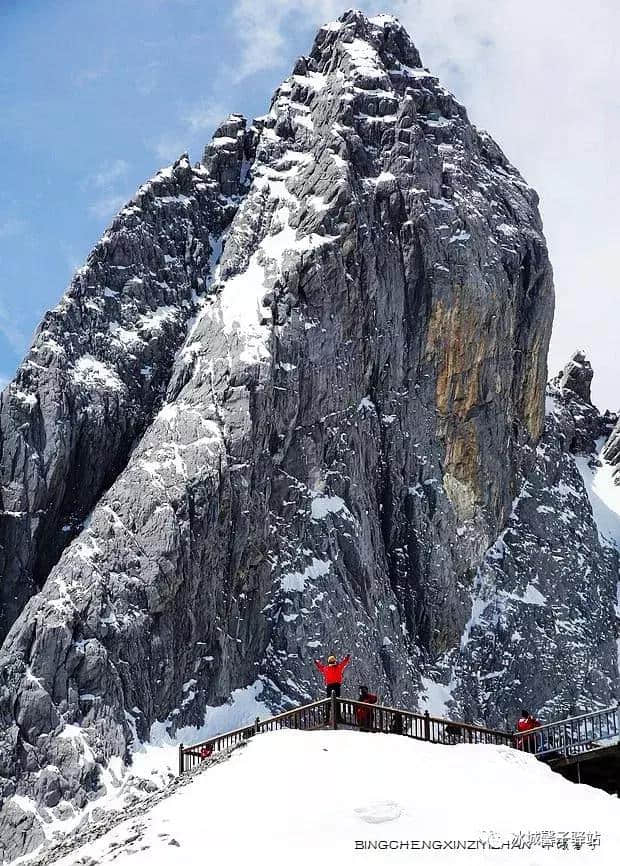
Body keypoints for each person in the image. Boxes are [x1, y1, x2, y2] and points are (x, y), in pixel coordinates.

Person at [315, 653, 351, 723]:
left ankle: (327, 718)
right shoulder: (338, 667)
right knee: (337, 702)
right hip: (337, 686)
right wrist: (347, 658)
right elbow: (344, 663)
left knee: (329, 702)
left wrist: (317, 663)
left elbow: (320, 667)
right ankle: (338, 718)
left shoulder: (326, 669)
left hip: (329, 687)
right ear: (335, 662)